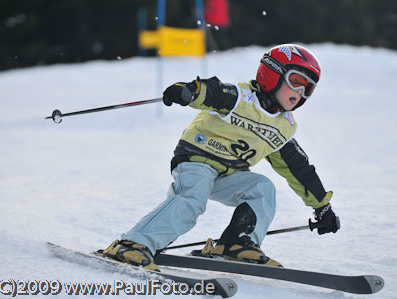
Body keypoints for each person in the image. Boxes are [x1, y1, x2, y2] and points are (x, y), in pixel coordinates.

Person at [102, 44, 340, 271]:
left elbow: (299, 169)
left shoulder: (283, 127)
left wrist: (322, 206)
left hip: (230, 173)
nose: (300, 93)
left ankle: (237, 243)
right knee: (192, 198)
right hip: (197, 160)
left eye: (307, 88)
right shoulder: (240, 97)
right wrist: (189, 91)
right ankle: (132, 244)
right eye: (295, 81)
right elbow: (211, 91)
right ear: (272, 75)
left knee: (263, 188)